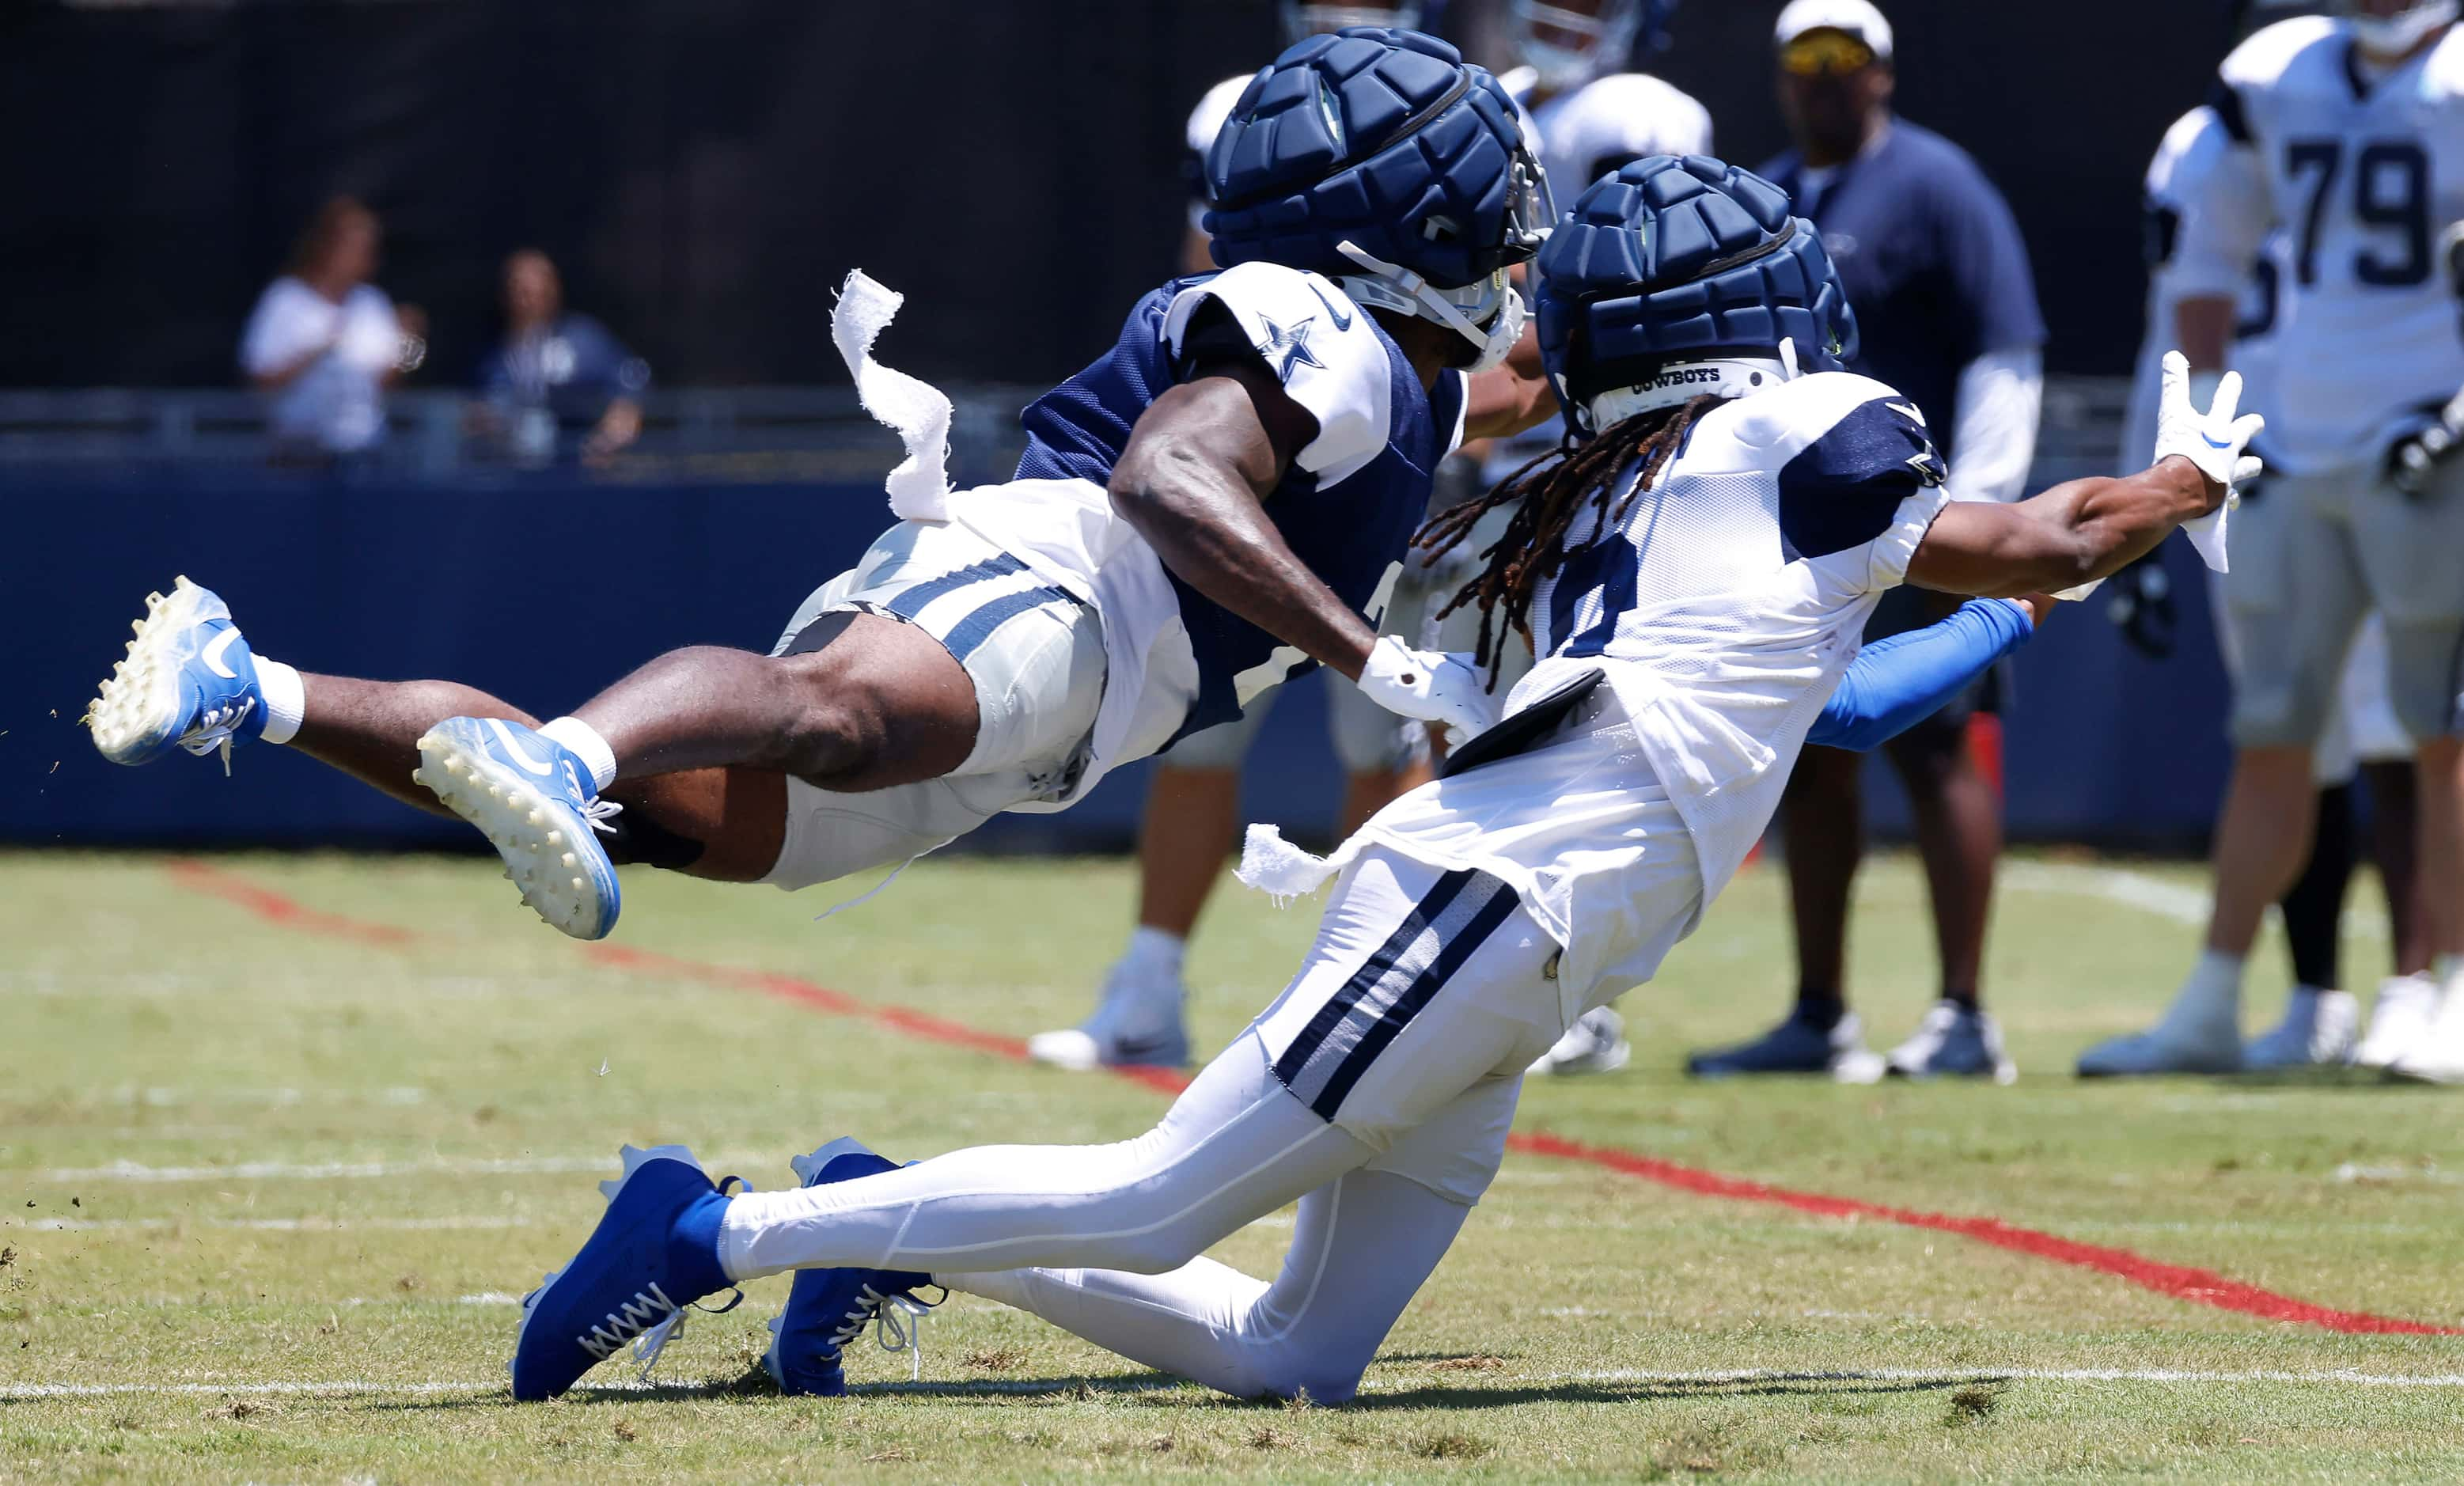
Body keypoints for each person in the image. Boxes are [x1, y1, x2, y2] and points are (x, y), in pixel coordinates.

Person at [495, 156, 2261, 1405]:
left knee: (1290, 1356)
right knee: (1153, 1195)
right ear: (1756, 319)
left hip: (1541, 927)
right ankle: (717, 1227)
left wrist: (2011, 632)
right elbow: (2048, 532)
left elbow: (1848, 705)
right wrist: (2180, 483)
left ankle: (895, 1226)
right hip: (1503, 902)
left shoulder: (1630, 498)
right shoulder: (1807, 435)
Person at [85, 28, 1561, 942]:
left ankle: (256, 685)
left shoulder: (1387, 376)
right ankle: (577, 753)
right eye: (1487, 197)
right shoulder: (1340, 335)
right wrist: (1373, 655)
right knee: (835, 717)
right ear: (1400, 221)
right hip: (1071, 590)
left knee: (670, 823)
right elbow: (1170, 476)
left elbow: (1485, 404)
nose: (1510, 231)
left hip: (1085, 687)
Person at [1030, 0, 1440, 1075]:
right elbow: (1207, 284)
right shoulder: (1246, 111)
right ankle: (1148, 988)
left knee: (1383, 738)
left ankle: (1354, 1004)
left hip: (1378, 467)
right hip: (1262, 458)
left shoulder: (1460, 115)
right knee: (1196, 733)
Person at [2079, 0, 2464, 1080]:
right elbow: (2208, 253)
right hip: (2294, 438)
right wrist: (2198, 416)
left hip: (2426, 437)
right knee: (2274, 729)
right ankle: (2211, 998)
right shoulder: (2274, 75)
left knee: (2435, 727)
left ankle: (2444, 991)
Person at [1686, 0, 2048, 1082]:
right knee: (1806, 751)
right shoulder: (1770, 197)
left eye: (1844, 60)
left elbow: (2003, 347)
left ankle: (1964, 1015)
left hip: (1914, 510)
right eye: (1805, 60)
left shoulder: (1937, 185)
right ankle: (1817, 1012)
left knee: (1935, 748)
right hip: (1800, 526)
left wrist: (1977, 515)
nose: (1824, 79)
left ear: (1881, 73)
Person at [1492, 0, 1719, 1077]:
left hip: (1601, 443)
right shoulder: (1512, 107)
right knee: (1500, 721)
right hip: (1525, 451)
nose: (1558, 18)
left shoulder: (1636, 111)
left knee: (1569, 718)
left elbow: (1635, 280)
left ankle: (1573, 994)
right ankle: (1530, 979)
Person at [237, 196, 423, 460]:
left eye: (370, 249)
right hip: (296, 456)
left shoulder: (373, 303)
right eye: (356, 247)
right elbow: (259, 381)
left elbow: (385, 387)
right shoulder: (285, 300)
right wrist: (317, 353)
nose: (365, 257)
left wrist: (410, 346)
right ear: (326, 246)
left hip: (363, 455)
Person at [473, 249, 650, 467]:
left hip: (577, 468)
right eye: (518, 289)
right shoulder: (492, 355)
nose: (526, 299)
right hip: (511, 471)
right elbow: (473, 407)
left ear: (553, 290)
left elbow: (632, 384)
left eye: (535, 291)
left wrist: (611, 434)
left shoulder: (584, 339)